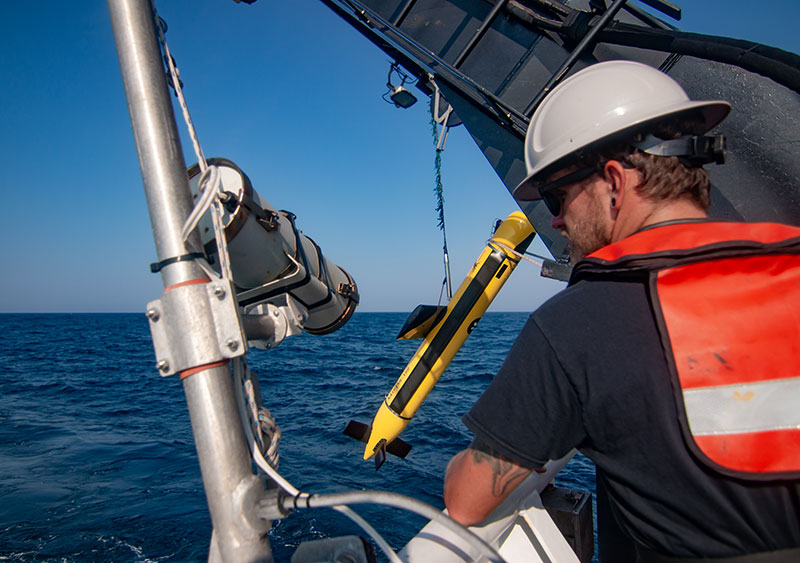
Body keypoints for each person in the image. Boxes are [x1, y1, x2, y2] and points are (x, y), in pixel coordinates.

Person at [443, 60, 800, 562]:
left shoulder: (580, 322)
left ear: (613, 181)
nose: (556, 220)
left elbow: (467, 500)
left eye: (557, 196)